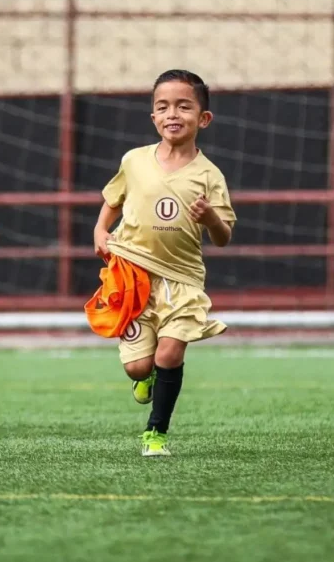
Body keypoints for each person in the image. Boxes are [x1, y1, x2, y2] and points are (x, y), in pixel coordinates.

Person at [92, 69, 236, 457]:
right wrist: (101, 230)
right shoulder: (134, 161)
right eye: (163, 106)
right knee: (138, 368)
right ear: (154, 116)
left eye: (184, 106)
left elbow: (223, 237)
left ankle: (156, 433)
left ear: (203, 118)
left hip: (182, 281)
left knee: (170, 353)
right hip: (133, 274)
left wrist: (211, 218)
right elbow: (113, 199)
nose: (173, 114)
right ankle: (146, 375)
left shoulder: (210, 176)